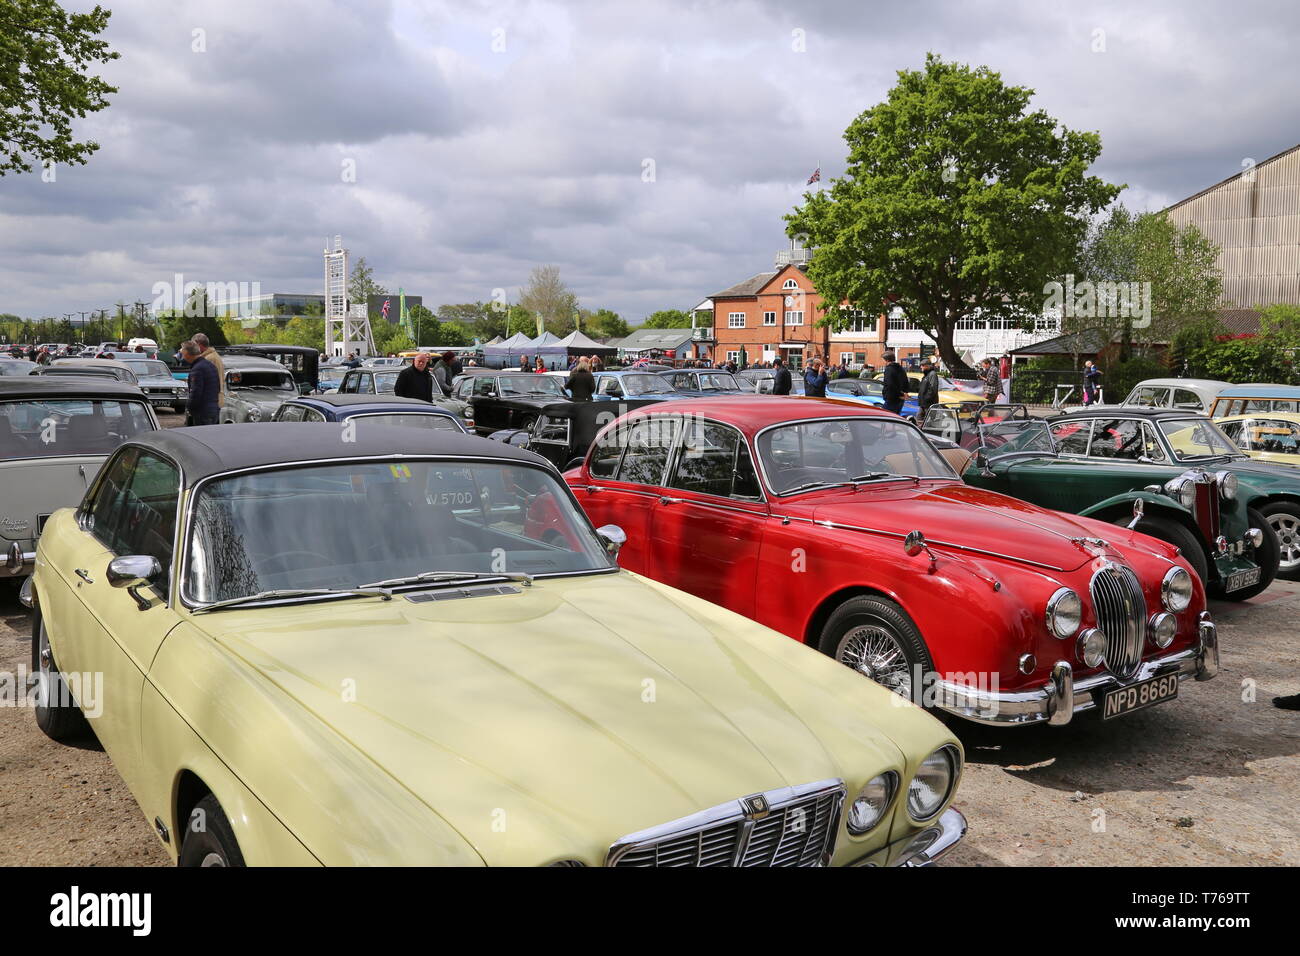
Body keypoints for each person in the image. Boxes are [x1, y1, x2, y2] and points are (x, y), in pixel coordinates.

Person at [182, 341, 219, 425]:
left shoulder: (197, 369)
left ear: (188, 354)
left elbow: (195, 392)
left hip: (202, 412)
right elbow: (217, 387)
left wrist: (189, 407)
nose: (183, 357)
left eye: (183, 354)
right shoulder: (210, 365)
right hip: (213, 409)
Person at [192, 333, 226, 410]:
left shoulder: (209, 359)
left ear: (199, 344)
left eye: (194, 345)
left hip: (209, 403)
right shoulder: (213, 356)